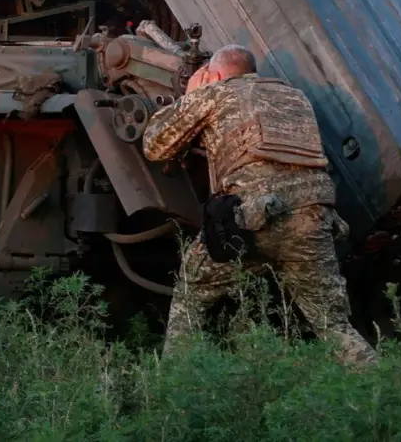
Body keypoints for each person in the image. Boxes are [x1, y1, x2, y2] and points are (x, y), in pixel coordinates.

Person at [141, 44, 378, 368]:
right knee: (333, 326)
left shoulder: (216, 93)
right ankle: (387, 394)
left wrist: (191, 95)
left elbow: (156, 145)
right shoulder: (295, 98)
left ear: (217, 74)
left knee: (192, 286)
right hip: (313, 219)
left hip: (252, 219)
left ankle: (174, 385)